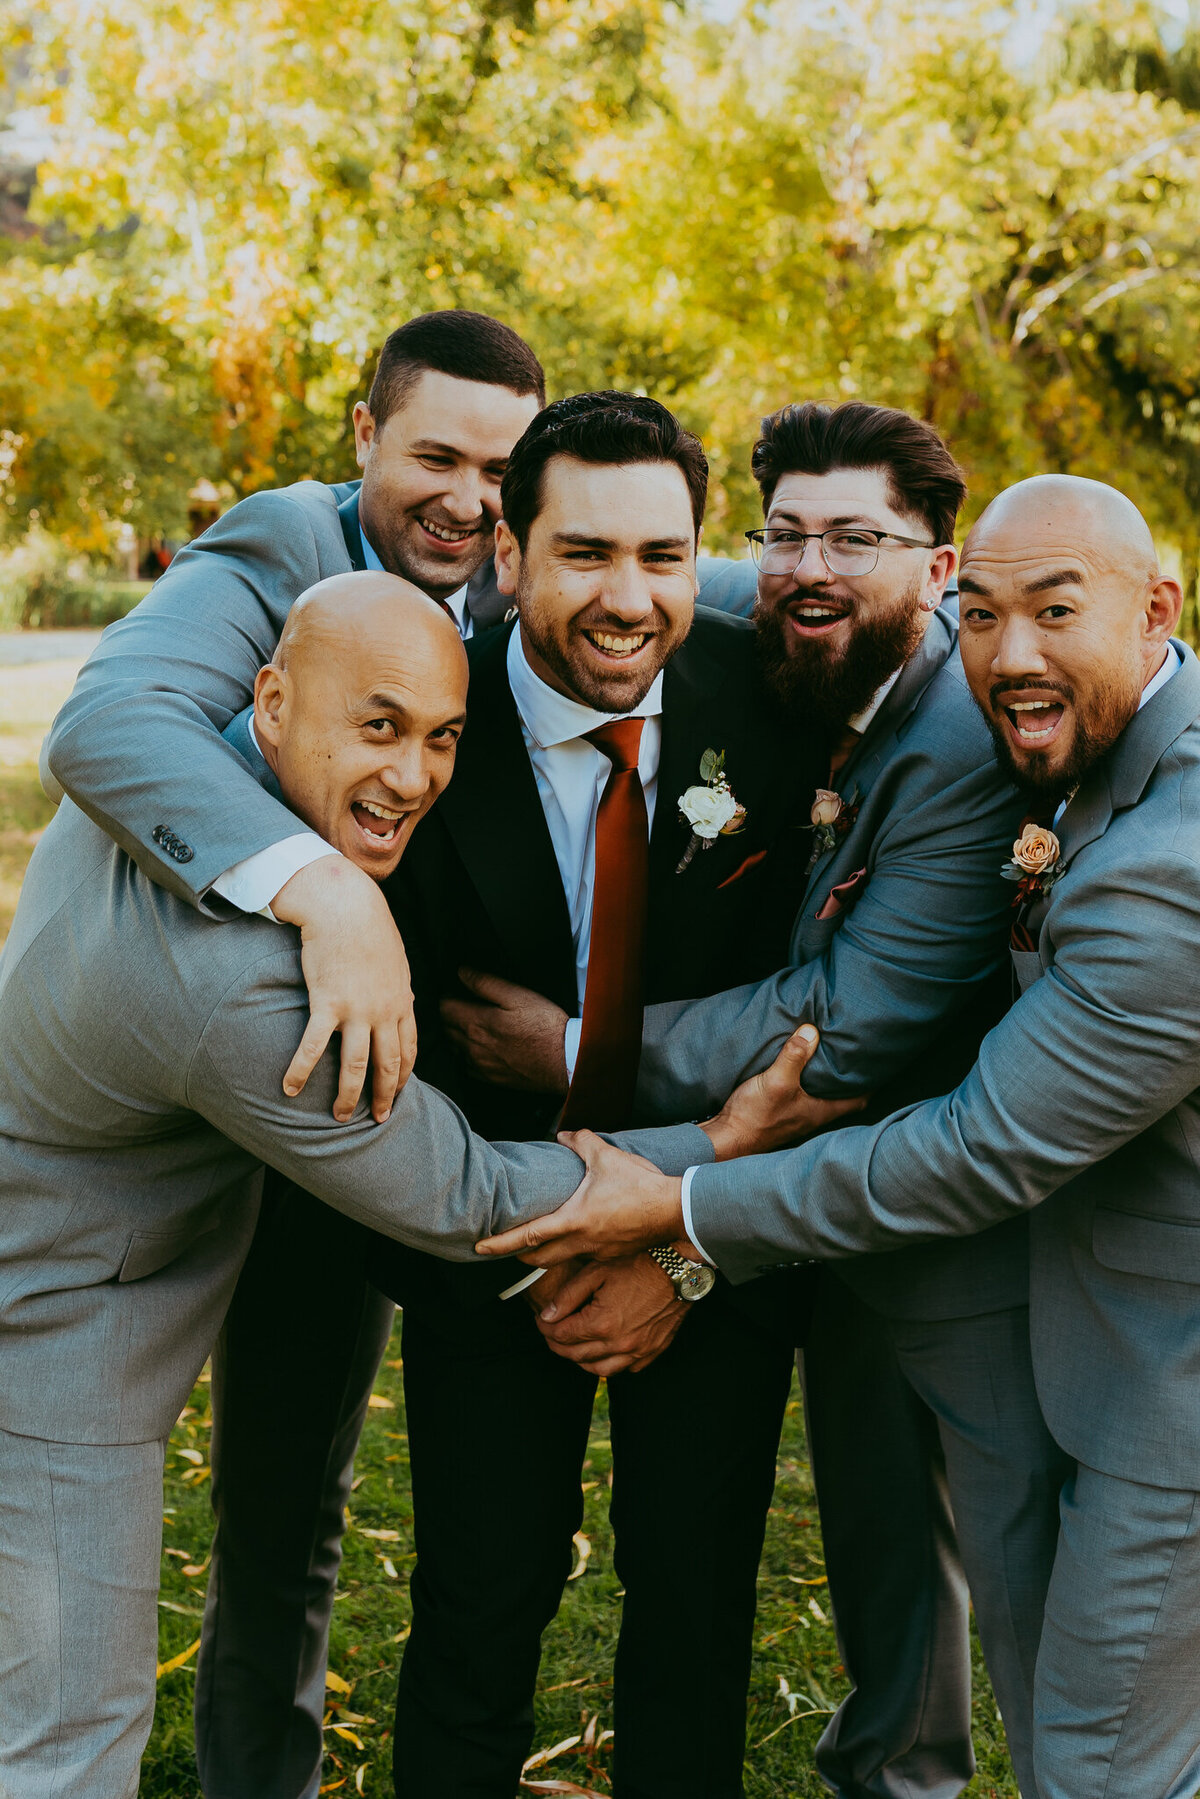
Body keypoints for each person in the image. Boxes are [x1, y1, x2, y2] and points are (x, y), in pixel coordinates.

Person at [0, 566, 825, 1799]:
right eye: (376, 726)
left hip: (170, 1202)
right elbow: (472, 1198)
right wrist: (728, 1139)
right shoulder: (244, 989)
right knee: (73, 1723)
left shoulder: (200, 766)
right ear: (271, 701)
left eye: (442, 738)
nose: (414, 777)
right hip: (61, 1297)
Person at [483, 473, 1200, 1799]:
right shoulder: (1097, 732)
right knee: (1086, 1726)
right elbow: (711, 582)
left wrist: (677, 1209)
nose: (1012, 651)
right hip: (1051, 1312)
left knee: (1103, 1757)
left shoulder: (1173, 861)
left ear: (1160, 608)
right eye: (982, 615)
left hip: (1165, 1373)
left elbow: (975, 1142)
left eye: (1056, 609)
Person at [371, 390, 823, 1799]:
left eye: (665, 556)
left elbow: (820, 1024)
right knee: (477, 1601)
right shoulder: (427, 727)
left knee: (695, 1606)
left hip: (716, 1231)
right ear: (507, 551)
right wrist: (564, 1229)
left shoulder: (776, 702)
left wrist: (678, 1246)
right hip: (496, 1245)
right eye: (586, 553)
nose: (630, 599)